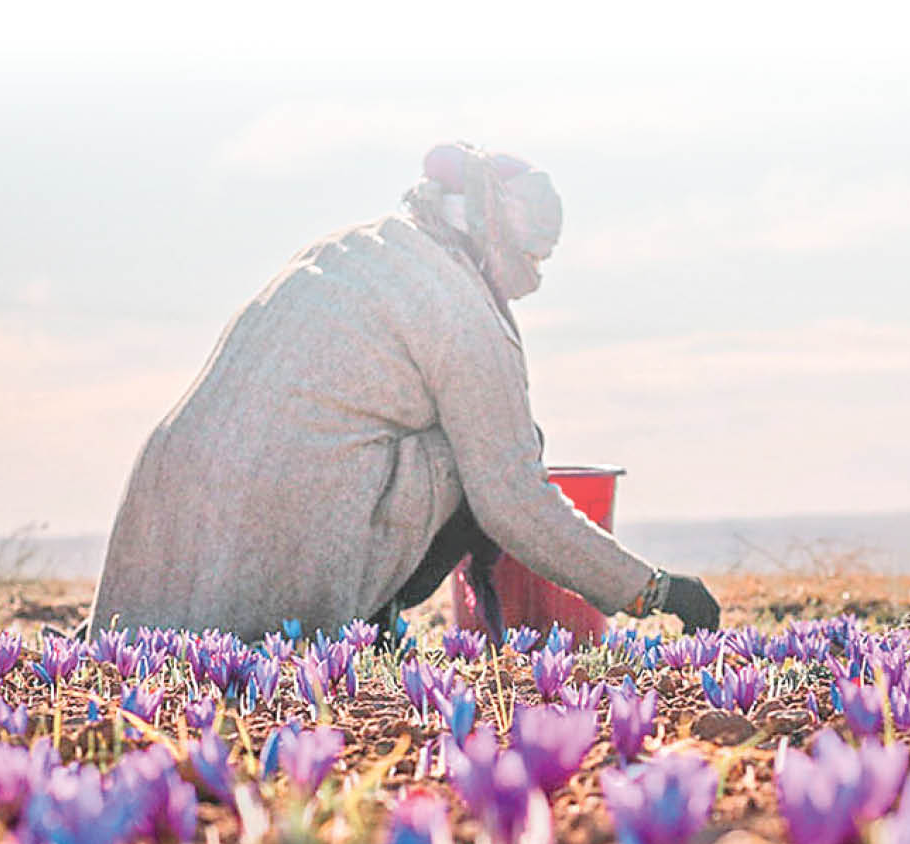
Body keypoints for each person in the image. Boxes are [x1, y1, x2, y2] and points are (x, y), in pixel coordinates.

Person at [90, 142, 720, 642]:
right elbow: (512, 497)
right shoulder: (463, 308)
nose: (536, 271)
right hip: (286, 546)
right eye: (534, 249)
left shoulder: (348, 249)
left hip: (159, 544)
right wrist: (651, 588)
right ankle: (370, 623)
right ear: (494, 228)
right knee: (502, 447)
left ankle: (313, 620)